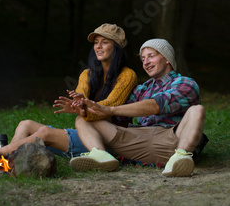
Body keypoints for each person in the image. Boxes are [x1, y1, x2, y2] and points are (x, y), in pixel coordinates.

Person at [69, 38, 206, 177]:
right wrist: (84, 108)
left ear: (167, 59)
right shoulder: (142, 89)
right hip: (137, 140)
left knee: (197, 110)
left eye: (151, 56)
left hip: (171, 140)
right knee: (83, 119)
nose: (146, 62)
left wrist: (111, 110)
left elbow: (156, 105)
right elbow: (118, 115)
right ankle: (100, 155)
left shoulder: (185, 83)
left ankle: (180, 158)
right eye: (143, 59)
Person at [0, 24, 138, 157]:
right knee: (25, 124)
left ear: (117, 47)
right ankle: (8, 160)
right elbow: (81, 92)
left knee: (45, 132)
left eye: (105, 42)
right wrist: (79, 102)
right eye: (96, 42)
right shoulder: (87, 74)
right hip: (89, 133)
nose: (98, 47)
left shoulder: (127, 75)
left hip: (111, 140)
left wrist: (83, 111)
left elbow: (109, 106)